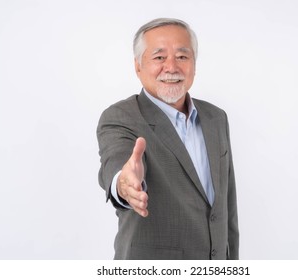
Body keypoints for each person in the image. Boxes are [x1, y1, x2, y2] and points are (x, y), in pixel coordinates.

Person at [97, 18, 239, 260]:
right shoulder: (121, 116)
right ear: (138, 66)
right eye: (159, 57)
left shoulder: (216, 118)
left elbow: (227, 209)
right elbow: (117, 161)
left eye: (182, 57)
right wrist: (125, 185)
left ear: (194, 64)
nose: (171, 67)